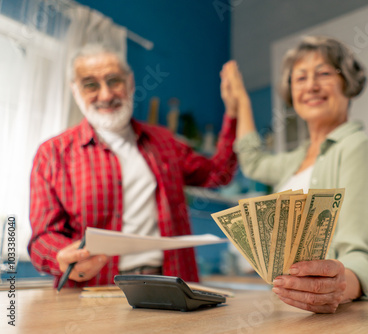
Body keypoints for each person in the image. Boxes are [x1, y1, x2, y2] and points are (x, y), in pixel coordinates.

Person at [28, 44, 238, 288]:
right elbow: (42, 238)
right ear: (75, 91)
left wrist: (233, 112)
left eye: (113, 81)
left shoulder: (165, 141)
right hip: (94, 295)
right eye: (90, 85)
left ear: (130, 83)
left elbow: (218, 174)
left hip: (173, 285)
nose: (106, 95)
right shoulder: (52, 153)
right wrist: (60, 256)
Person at [220, 36, 368, 313]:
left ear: (346, 82)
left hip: (330, 320)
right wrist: (241, 102)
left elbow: (362, 258)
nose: (311, 85)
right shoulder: (296, 159)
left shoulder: (357, 149)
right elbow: (253, 162)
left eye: (323, 73)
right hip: (287, 314)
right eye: (300, 78)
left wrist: (336, 286)